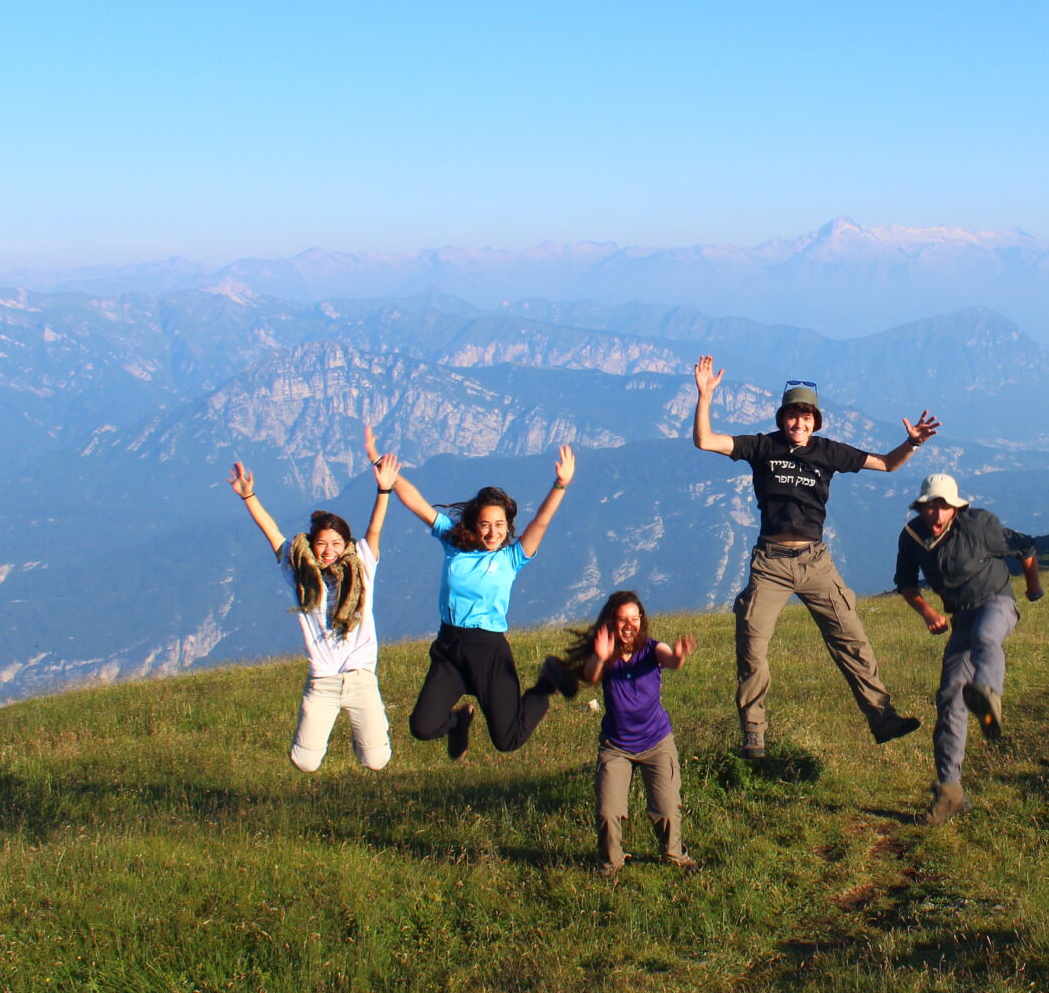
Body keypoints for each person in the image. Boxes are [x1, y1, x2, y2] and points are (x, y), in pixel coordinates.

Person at [691, 356, 938, 759]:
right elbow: (705, 440)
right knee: (752, 646)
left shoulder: (828, 452)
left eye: (806, 417)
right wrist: (704, 397)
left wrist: (912, 442)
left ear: (816, 421)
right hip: (770, 564)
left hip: (815, 562)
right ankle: (754, 732)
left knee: (851, 638)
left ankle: (882, 718)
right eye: (793, 416)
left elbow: (888, 464)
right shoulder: (762, 446)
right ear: (782, 418)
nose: (799, 424)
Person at [365, 424, 579, 760]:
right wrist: (383, 468)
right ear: (473, 524)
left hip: (488, 652)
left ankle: (547, 685)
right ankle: (459, 720)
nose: (493, 532)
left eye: (500, 524)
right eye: (485, 524)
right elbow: (417, 503)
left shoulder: (512, 558)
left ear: (508, 526)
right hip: (449, 647)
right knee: (423, 727)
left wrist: (560, 484)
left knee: (507, 740)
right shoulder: (454, 542)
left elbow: (542, 520)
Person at [228, 452, 400, 772]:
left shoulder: (362, 564)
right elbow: (272, 532)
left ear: (346, 543)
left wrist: (385, 490)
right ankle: (345, 730)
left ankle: (364, 734)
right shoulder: (300, 571)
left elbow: (375, 528)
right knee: (305, 763)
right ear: (312, 544)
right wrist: (248, 496)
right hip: (322, 681)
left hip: (360, 677)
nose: (329, 551)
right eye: (322, 544)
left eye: (336, 543)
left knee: (377, 760)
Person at [893, 473, 1044, 826]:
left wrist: (1034, 589)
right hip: (961, 615)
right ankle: (950, 791)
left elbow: (1026, 547)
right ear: (920, 508)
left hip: (996, 602)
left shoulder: (979, 525)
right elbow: (905, 584)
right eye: (929, 506)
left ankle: (989, 694)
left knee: (986, 639)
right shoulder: (913, 537)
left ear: (955, 508)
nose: (935, 514)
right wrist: (929, 612)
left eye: (942, 506)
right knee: (949, 698)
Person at [565, 591, 700, 875]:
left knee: (666, 809)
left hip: (656, 742)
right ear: (611, 622)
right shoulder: (605, 653)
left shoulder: (651, 648)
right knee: (608, 811)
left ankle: (674, 855)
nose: (629, 625)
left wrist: (679, 655)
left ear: (642, 621)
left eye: (634, 619)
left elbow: (672, 661)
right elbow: (590, 676)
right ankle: (610, 862)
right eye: (622, 620)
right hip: (616, 746)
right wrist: (601, 657)